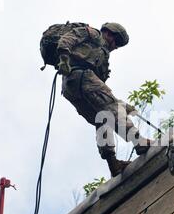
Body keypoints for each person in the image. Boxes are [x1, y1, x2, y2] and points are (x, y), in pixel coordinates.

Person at [56, 22, 152, 177]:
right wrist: (64, 59)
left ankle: (113, 164)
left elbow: (100, 95)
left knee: (102, 118)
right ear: (109, 33)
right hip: (80, 75)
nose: (116, 47)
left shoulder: (102, 56)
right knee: (110, 108)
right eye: (117, 42)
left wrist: (122, 105)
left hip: (72, 87)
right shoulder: (94, 34)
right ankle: (138, 141)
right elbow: (68, 39)